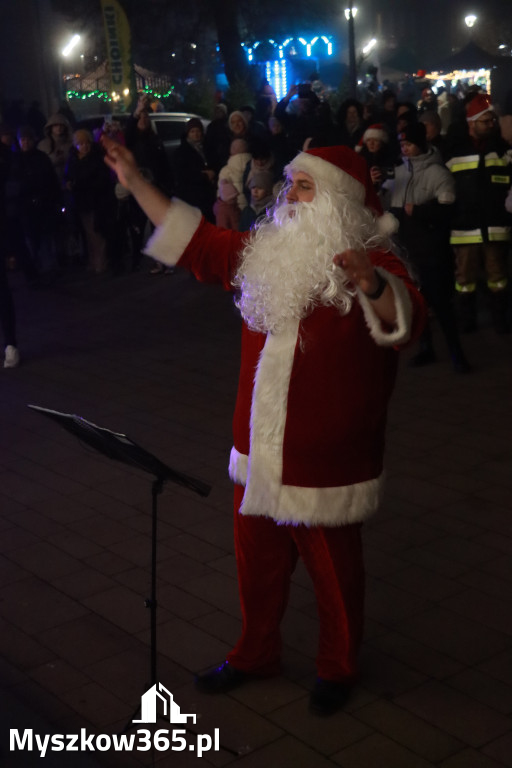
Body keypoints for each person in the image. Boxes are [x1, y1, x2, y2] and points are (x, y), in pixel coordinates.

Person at [102, 136, 427, 717]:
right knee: (257, 568)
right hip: (257, 447)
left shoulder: (373, 258)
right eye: (293, 185)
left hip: (325, 457)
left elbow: (406, 321)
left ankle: (339, 665)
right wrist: (135, 181)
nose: (292, 196)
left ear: (339, 201)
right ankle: (256, 653)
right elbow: (200, 244)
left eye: (307, 187)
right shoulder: (265, 248)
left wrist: (372, 286)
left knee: (336, 576)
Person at [389, 122, 470, 373]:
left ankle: (457, 353)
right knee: (417, 302)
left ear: (421, 145)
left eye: (409, 144)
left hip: (432, 251)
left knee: (441, 304)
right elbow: (391, 206)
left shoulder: (438, 172)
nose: (405, 149)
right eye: (402, 144)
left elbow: (449, 209)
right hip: (408, 250)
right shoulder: (400, 172)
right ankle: (427, 348)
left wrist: (421, 211)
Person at [446, 93, 512, 333]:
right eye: (485, 121)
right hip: (465, 228)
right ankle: (467, 321)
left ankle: (500, 320)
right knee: (465, 280)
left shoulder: (502, 151)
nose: (491, 125)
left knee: (499, 277)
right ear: (471, 122)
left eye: (492, 120)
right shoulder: (455, 152)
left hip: (496, 226)